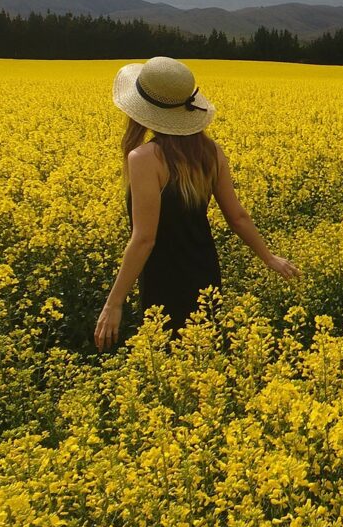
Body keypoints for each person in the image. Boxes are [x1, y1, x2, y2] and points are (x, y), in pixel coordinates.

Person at [94, 56, 299, 351]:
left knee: (168, 357)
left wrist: (113, 304)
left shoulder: (143, 159)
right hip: (204, 271)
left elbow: (144, 239)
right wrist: (268, 257)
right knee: (203, 355)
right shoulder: (210, 152)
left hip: (163, 276)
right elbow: (238, 216)